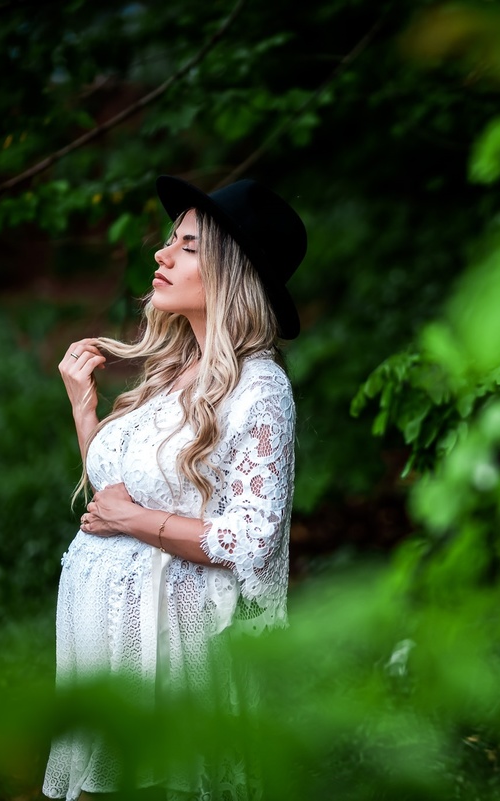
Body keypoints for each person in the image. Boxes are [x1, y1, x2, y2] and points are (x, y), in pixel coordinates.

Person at [41, 177, 306, 801]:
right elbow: (117, 500)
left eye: (186, 246)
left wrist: (133, 522)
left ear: (230, 273)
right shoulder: (171, 371)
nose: (161, 255)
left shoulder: (259, 390)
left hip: (179, 650)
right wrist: (86, 412)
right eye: (169, 241)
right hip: (112, 637)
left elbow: (249, 541)